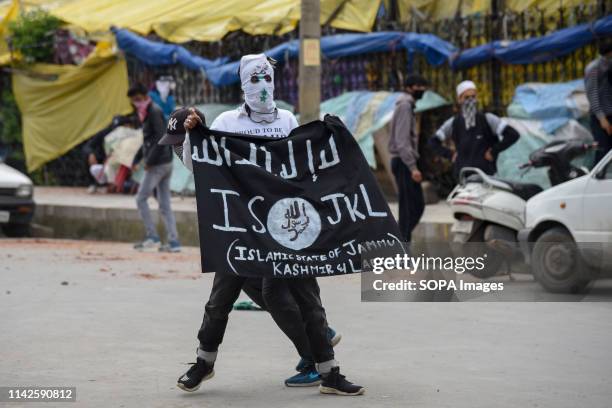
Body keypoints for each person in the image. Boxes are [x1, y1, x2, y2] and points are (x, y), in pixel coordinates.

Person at [173, 54, 364, 396]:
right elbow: (201, 166)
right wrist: (193, 135)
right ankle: (203, 363)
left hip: (285, 226)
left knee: (309, 299)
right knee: (220, 300)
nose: (262, 86)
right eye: (254, 79)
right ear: (243, 83)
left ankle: (329, 372)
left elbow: (299, 167)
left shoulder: (288, 120)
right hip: (243, 228)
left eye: (267, 78)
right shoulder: (229, 122)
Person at [128, 83, 181, 253]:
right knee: (164, 204)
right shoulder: (147, 112)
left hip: (159, 164)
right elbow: (148, 141)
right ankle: (174, 242)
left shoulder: (154, 111)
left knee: (141, 198)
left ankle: (152, 237)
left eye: (137, 99)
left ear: (144, 96)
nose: (135, 103)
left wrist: (149, 161)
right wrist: (137, 159)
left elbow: (160, 138)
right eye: (133, 100)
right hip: (164, 162)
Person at [430, 80, 519, 179]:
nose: (470, 100)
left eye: (473, 97)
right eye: (466, 97)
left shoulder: (488, 119)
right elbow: (433, 142)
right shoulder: (453, 123)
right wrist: (450, 155)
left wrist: (493, 151)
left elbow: (513, 135)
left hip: (487, 177)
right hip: (462, 178)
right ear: (459, 99)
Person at [388, 74, 429, 242]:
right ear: (410, 87)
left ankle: (399, 240)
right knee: (409, 207)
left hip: (404, 162)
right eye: (419, 87)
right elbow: (402, 141)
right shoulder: (405, 106)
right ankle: (401, 244)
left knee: (416, 206)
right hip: (404, 162)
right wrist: (413, 167)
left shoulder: (407, 105)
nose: (422, 90)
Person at [82, 113, 139, 194]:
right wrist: (91, 153)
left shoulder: (132, 136)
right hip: (110, 166)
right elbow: (87, 147)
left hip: (127, 168)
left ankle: (120, 186)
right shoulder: (106, 133)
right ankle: (98, 185)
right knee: (94, 165)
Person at [585, 36, 612, 164]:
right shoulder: (594, 68)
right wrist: (602, 118)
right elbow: (592, 94)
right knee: (603, 151)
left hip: (610, 113)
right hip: (601, 118)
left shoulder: (609, 65)